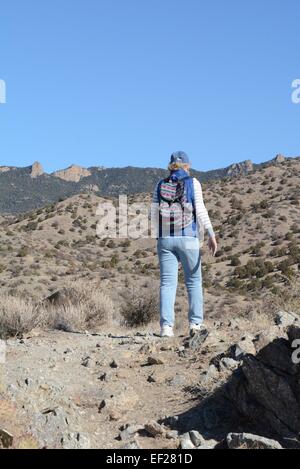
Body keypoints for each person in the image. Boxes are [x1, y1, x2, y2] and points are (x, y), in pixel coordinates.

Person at [152, 151, 217, 338]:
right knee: (194, 281)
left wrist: (160, 238)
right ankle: (195, 324)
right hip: (188, 239)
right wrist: (211, 234)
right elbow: (201, 209)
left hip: (165, 240)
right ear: (187, 166)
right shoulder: (193, 183)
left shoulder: (160, 184)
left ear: (170, 165)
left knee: (167, 284)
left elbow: (153, 214)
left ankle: (166, 328)